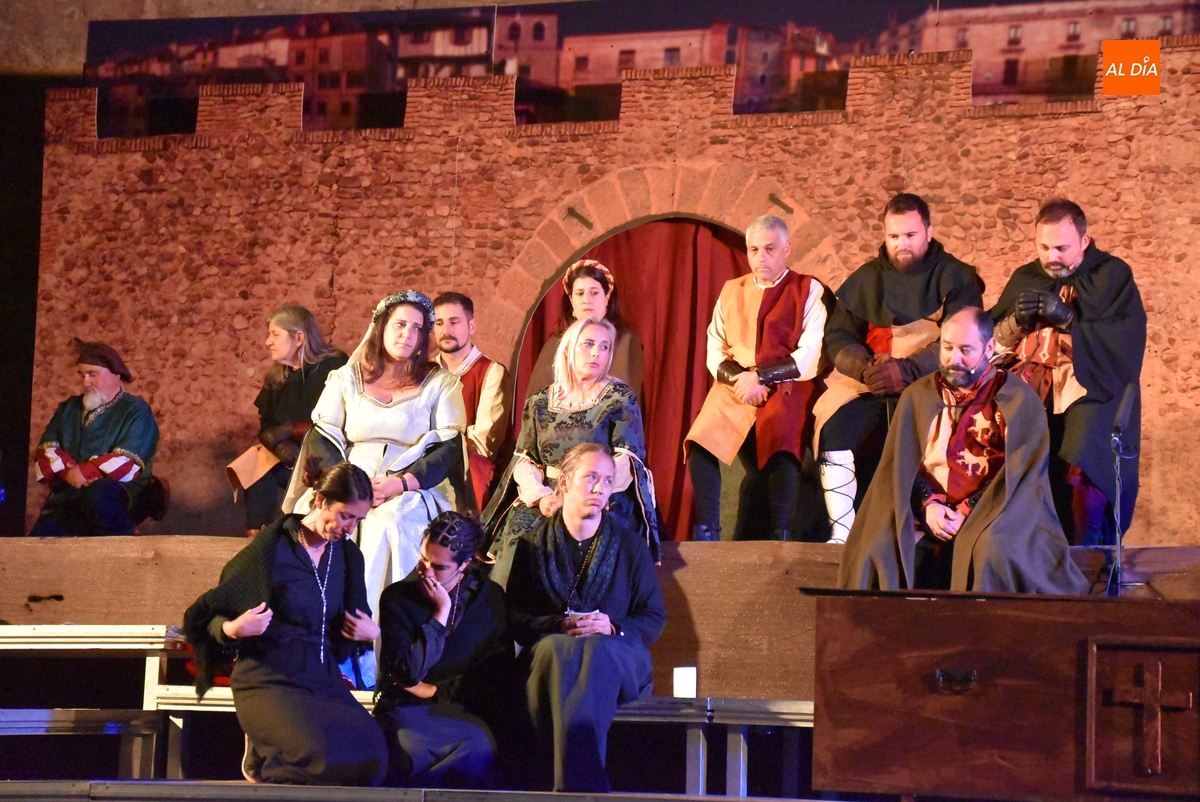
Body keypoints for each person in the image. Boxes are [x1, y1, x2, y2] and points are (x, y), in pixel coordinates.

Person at [838, 308, 1088, 594]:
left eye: (965, 350)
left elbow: (1020, 475)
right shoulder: (918, 395)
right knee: (878, 543)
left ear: (989, 348)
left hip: (996, 511)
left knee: (994, 550)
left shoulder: (1018, 399)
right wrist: (927, 503)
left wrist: (967, 511)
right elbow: (900, 465)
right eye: (947, 348)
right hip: (927, 510)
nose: (953, 359)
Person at [182, 462, 389, 786]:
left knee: (373, 756)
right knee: (316, 758)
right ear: (320, 500)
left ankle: (277, 747)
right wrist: (232, 629)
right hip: (268, 678)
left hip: (322, 680)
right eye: (345, 516)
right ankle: (265, 755)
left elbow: (351, 627)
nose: (349, 528)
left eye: (358, 520)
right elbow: (202, 617)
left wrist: (369, 633)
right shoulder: (272, 549)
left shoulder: (347, 556)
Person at [283, 290, 469, 636]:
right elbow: (322, 437)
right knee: (321, 521)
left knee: (391, 525)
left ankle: (383, 639)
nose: (407, 335)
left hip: (409, 486)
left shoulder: (440, 384)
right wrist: (348, 487)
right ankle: (316, 633)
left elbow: (448, 448)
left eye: (417, 329)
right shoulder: (345, 379)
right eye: (400, 325)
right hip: (345, 480)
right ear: (382, 327)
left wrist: (401, 483)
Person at [816, 193, 984, 543]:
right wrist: (865, 369)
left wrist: (907, 370)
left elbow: (960, 339)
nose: (901, 244)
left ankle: (921, 527)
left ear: (928, 232)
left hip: (933, 381)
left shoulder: (955, 277)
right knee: (834, 426)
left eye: (910, 235)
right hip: (871, 382)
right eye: (894, 236)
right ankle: (843, 533)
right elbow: (839, 336)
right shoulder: (866, 278)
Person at [505, 443, 665, 792]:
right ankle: (584, 789)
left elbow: (653, 616)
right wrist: (556, 625)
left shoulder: (630, 545)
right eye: (591, 477)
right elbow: (514, 616)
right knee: (558, 649)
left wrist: (612, 626)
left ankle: (571, 789)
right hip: (554, 658)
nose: (600, 488)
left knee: (596, 650)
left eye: (607, 480)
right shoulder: (532, 545)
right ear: (564, 483)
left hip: (617, 654)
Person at [990, 199, 1146, 546]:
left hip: (1093, 391)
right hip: (1033, 391)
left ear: (1084, 241)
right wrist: (1016, 321)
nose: (1051, 257)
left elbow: (1125, 346)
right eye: (1043, 247)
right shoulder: (1026, 277)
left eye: (1061, 248)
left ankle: (1085, 559)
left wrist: (1069, 319)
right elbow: (989, 342)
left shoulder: (1111, 276)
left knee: (1083, 473)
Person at [483, 317, 660, 588]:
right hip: (548, 493)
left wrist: (586, 493)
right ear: (568, 349)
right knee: (522, 531)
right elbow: (524, 459)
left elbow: (628, 457)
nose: (597, 353)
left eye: (604, 347)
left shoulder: (619, 397)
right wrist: (541, 497)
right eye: (588, 344)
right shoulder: (540, 402)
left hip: (601, 493)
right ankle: (511, 609)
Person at [684, 214, 828, 542]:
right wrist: (743, 381)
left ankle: (779, 532)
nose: (760, 257)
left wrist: (762, 377)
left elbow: (811, 353)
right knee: (701, 440)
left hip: (786, 383)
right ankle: (707, 531)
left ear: (786, 249)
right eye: (753, 249)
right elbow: (714, 348)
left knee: (782, 441)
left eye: (769, 249)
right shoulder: (731, 290)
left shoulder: (808, 289)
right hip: (734, 384)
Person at [374, 512, 511, 789]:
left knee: (484, 745)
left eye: (439, 566)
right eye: (423, 559)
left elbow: (495, 671)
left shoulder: (489, 598)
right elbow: (407, 674)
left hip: (468, 707)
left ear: (465, 565)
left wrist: (436, 690)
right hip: (408, 710)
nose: (426, 571)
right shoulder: (398, 598)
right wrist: (440, 615)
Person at [230, 305, 347, 535]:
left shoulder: (334, 367)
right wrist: (278, 445)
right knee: (256, 461)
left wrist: (292, 430)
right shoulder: (278, 376)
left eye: (275, 334)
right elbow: (266, 426)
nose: (268, 342)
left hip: (326, 460)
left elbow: (340, 422)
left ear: (299, 337)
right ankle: (256, 535)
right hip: (291, 461)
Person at [31, 339, 160, 537]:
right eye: (82, 375)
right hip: (70, 495)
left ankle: (125, 543)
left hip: (118, 494)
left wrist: (86, 472)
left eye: (93, 374)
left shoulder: (136, 411)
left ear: (116, 374)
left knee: (99, 495)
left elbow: (129, 460)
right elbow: (45, 451)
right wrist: (69, 473)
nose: (86, 382)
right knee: (42, 540)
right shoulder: (68, 408)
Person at [525, 259, 645, 405]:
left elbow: (625, 404)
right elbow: (535, 404)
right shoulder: (554, 344)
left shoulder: (625, 342)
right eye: (580, 293)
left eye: (594, 293)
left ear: (606, 297)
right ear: (571, 300)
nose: (586, 300)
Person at [433, 292, 511, 512]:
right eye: (439, 323)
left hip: (469, 465)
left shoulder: (491, 372)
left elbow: (484, 443)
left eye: (454, 322)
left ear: (471, 326)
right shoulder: (424, 372)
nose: (446, 330)